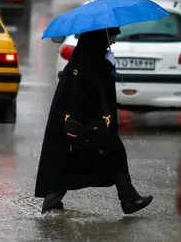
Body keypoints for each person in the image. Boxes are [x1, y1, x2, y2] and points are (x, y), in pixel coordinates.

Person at [34, 27, 153, 214]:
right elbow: (87, 88)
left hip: (83, 120)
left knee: (76, 158)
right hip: (83, 121)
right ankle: (128, 199)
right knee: (104, 152)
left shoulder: (91, 54)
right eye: (112, 36)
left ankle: (128, 198)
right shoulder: (88, 58)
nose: (113, 41)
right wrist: (106, 66)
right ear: (101, 36)